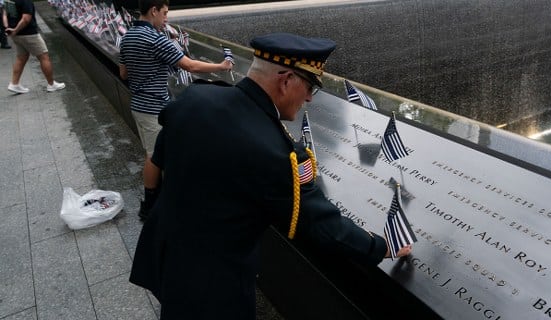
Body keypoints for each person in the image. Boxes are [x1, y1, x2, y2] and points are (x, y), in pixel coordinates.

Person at [129, 32, 413, 319]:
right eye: (310, 86)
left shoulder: (195, 98)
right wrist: (383, 246)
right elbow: (324, 225)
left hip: (164, 255)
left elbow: (159, 159)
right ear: (286, 80)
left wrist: (152, 202)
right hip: (214, 290)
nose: (310, 98)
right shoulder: (277, 152)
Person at [118, 0, 232, 221]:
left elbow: (123, 73)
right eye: (165, 13)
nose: (167, 18)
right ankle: (150, 206)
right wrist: (221, 66)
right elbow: (190, 65)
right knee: (154, 155)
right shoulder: (155, 38)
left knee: (154, 152)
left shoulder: (128, 35)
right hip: (153, 107)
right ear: (153, 11)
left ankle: (160, 199)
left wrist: (147, 68)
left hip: (139, 105)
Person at [3, 0, 65, 94]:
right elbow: (26, 19)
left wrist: (8, 28)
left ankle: (14, 84)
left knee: (21, 57)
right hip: (29, 34)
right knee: (44, 57)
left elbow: (4, 13)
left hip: (16, 35)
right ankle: (51, 84)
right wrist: (15, 30)